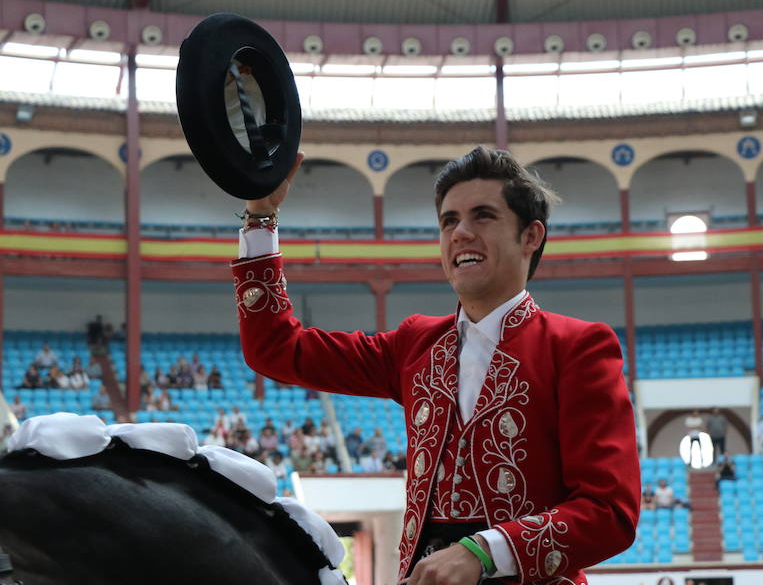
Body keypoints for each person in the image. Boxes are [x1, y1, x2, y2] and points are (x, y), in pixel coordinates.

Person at [231, 147, 640, 584]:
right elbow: (275, 349)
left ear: (530, 237)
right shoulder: (415, 344)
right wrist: (261, 218)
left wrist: (482, 552)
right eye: (449, 221)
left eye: (483, 216)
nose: (460, 232)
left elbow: (610, 512)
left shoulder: (578, 346)